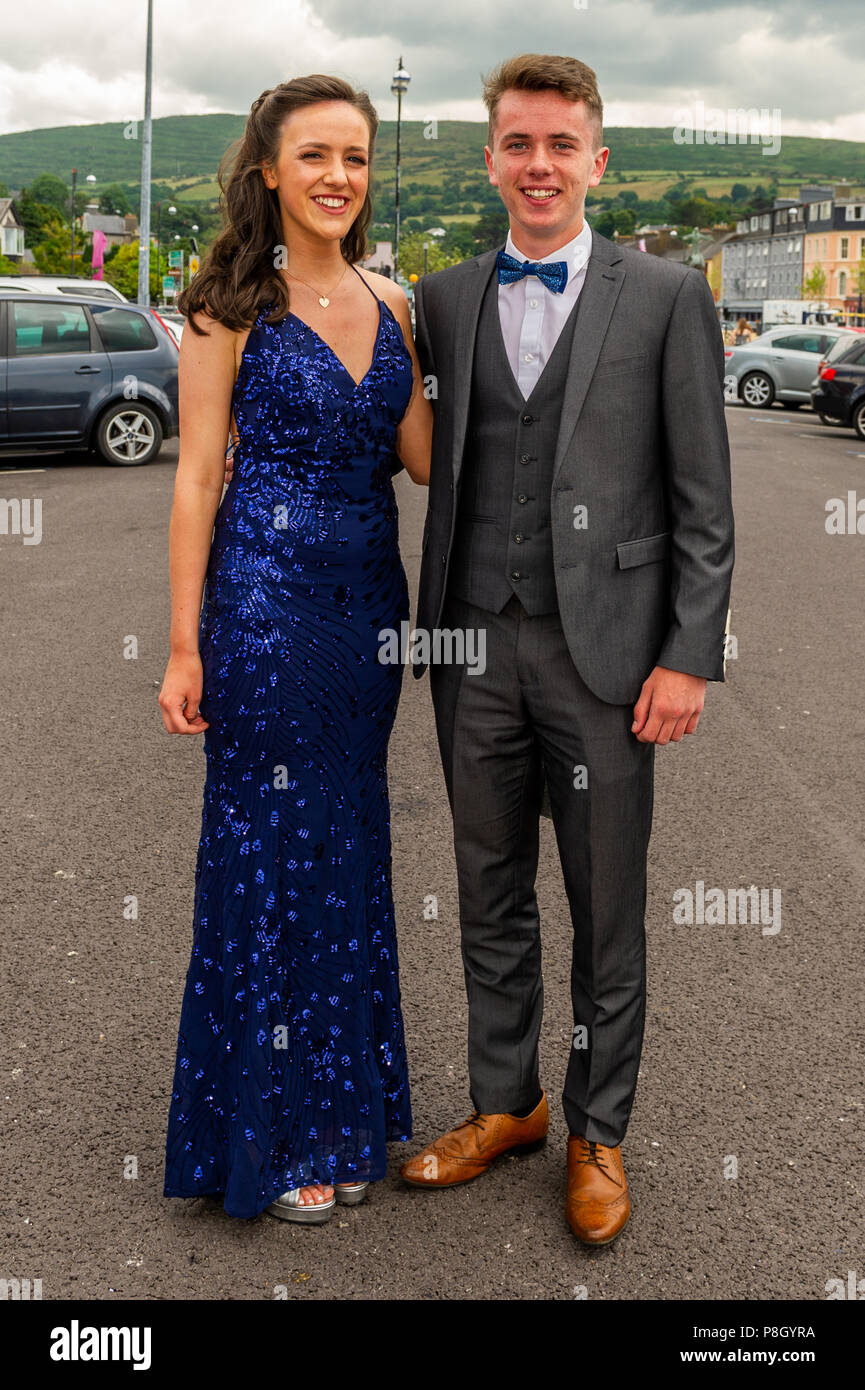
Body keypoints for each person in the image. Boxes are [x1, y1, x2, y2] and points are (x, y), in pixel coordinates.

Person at [399, 53, 734, 1246]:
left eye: (559, 145)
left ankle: (598, 1124)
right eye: (515, 144)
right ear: (488, 158)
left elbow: (703, 500)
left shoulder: (666, 295)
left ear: (597, 159)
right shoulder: (438, 297)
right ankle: (508, 1104)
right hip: (473, 650)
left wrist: (690, 654)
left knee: (606, 908)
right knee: (489, 893)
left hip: (608, 657)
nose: (537, 165)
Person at [158, 74, 431, 1224]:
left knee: (349, 846)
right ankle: (271, 1134)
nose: (336, 177)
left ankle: (346, 1108)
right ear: (267, 170)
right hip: (263, 617)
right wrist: (183, 644)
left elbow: (421, 456)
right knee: (272, 851)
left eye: (356, 158)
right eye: (314, 154)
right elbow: (197, 477)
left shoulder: (397, 301)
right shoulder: (226, 302)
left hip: (368, 614)